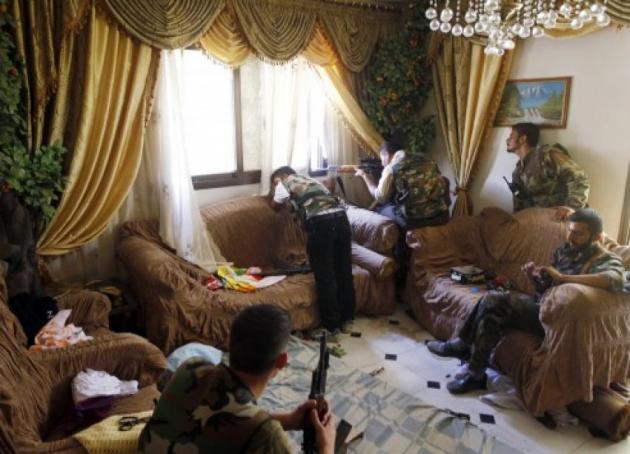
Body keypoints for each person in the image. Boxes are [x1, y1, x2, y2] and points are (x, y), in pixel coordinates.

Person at [426, 208, 626, 394]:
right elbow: (546, 289)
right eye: (570, 231)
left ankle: (463, 350)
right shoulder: (565, 250)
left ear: (596, 237)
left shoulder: (605, 259)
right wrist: (534, 277)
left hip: (559, 322)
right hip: (543, 306)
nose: (570, 238)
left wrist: (563, 278)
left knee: (495, 302)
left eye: (578, 234)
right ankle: (471, 365)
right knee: (492, 304)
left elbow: (615, 279)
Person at [138, 304, 336, 453]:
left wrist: (289, 420)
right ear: (282, 361)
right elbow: (244, 424)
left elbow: (223, 421)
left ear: (229, 342)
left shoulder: (192, 367)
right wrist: (327, 446)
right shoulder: (267, 436)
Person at [269, 166, 354, 336]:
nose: (275, 186)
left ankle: (331, 327)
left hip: (321, 223)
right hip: (342, 218)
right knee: (344, 271)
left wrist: (276, 194)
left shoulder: (284, 183)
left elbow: (275, 206)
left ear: (282, 176)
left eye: (274, 182)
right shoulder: (311, 180)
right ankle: (347, 319)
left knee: (325, 276)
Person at [354, 137, 450, 230]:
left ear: (386, 154)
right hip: (439, 214)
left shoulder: (391, 168)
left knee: (381, 209)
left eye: (381, 158)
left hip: (415, 219)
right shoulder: (427, 159)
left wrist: (364, 176)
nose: (382, 163)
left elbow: (380, 197)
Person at [506, 122, 590, 215]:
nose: (507, 140)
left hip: (563, 217)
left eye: (511, 136)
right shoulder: (518, 172)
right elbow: (520, 204)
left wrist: (571, 209)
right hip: (539, 218)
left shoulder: (546, 156)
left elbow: (579, 178)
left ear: (522, 139)